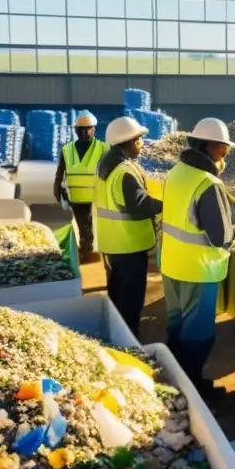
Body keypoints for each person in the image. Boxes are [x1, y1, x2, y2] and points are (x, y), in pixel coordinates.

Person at [160, 118, 235, 390]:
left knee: (176, 326)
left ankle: (172, 379)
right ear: (209, 145)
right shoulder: (208, 184)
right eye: (223, 148)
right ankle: (190, 388)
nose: (225, 153)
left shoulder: (176, 173)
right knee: (198, 335)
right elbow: (221, 237)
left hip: (171, 265)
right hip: (198, 270)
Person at [95, 117, 162, 337]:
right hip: (129, 246)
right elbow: (140, 206)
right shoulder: (124, 172)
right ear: (128, 142)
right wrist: (166, 204)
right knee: (131, 302)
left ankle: (117, 336)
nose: (142, 144)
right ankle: (131, 343)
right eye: (139, 140)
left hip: (113, 243)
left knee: (117, 295)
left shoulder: (106, 164)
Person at [53, 111, 106, 262]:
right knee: (83, 226)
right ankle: (86, 251)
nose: (83, 132)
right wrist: (57, 187)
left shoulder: (103, 148)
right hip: (76, 197)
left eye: (87, 128)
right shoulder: (67, 149)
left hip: (97, 198)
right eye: (80, 129)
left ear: (94, 129)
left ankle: (92, 251)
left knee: (94, 227)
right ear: (75, 130)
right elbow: (60, 170)